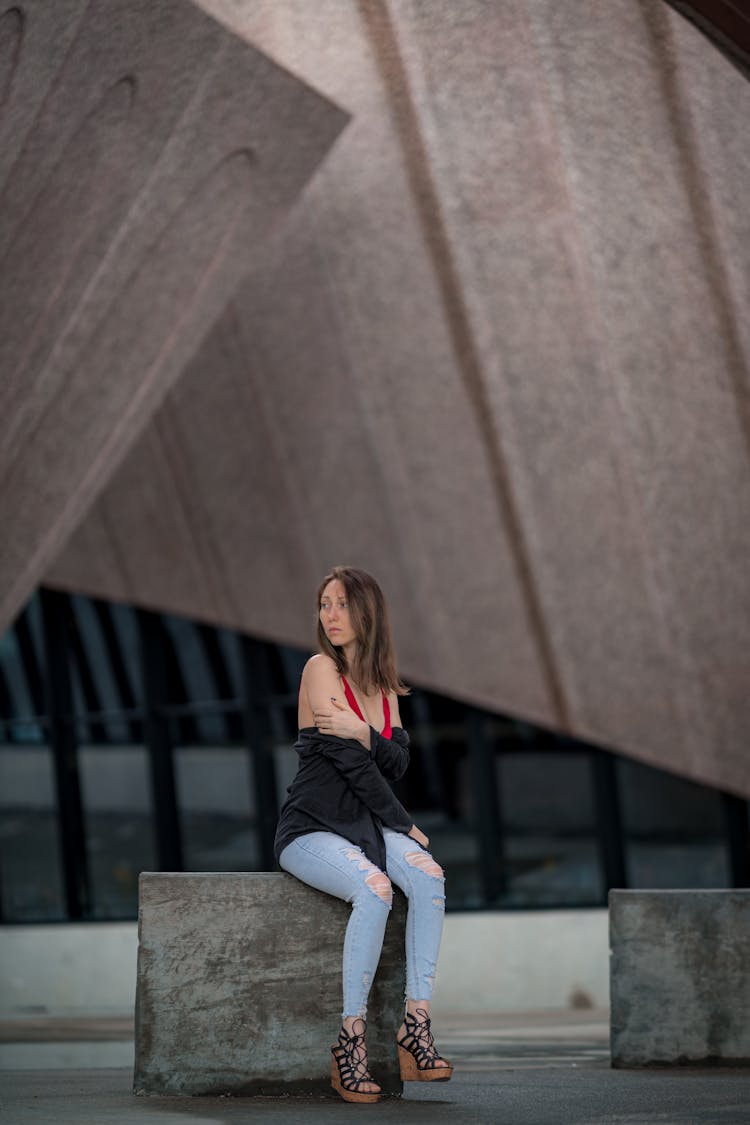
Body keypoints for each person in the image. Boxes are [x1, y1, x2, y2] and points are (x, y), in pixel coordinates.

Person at [274, 565, 452, 1104]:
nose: (330, 615)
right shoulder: (318, 670)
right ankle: (349, 1042)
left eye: (341, 604)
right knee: (375, 891)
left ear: (366, 613)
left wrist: (362, 728)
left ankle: (414, 1026)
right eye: (324, 604)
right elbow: (354, 766)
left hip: (366, 827)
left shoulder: (381, 683)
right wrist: (404, 823)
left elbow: (397, 761)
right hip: (312, 827)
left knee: (428, 876)